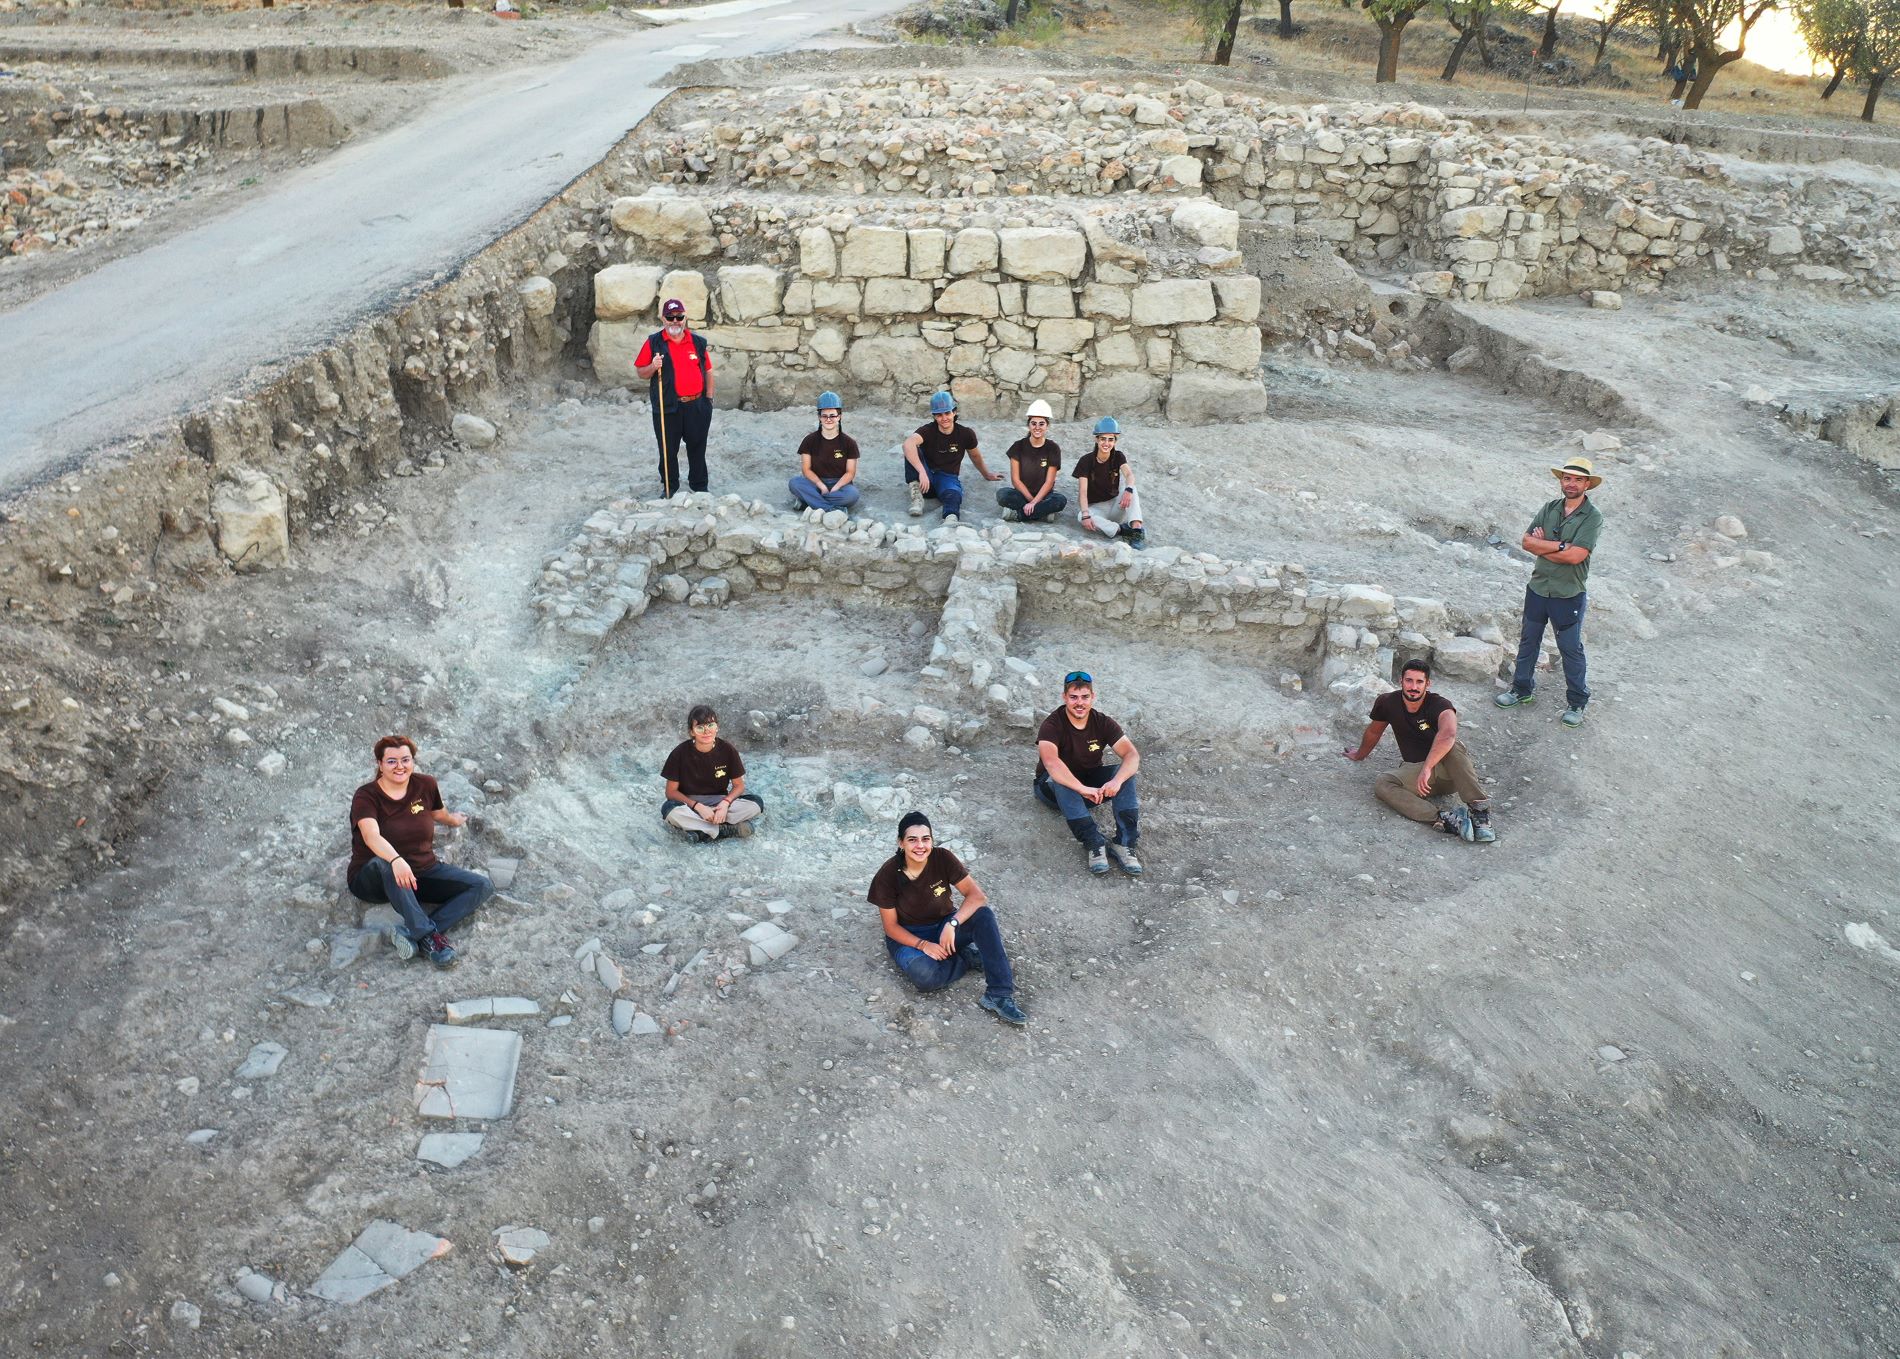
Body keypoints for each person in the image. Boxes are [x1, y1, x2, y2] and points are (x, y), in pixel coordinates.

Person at [869, 811, 1026, 1026]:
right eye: (912, 840)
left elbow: (976, 896)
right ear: (901, 843)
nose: (920, 846)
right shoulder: (888, 875)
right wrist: (924, 945)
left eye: (926, 839)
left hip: (944, 925)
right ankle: (966, 959)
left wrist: (952, 924)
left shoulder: (942, 858)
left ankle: (998, 994)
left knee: (983, 915)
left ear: (932, 840)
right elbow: (890, 927)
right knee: (924, 976)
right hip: (909, 936)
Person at [347, 734, 491, 967]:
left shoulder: (426, 785)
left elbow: (437, 813)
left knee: (482, 885)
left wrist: (453, 820)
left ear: (413, 761)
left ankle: (411, 932)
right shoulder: (366, 795)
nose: (400, 766)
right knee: (383, 863)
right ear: (380, 764)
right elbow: (371, 836)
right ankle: (429, 940)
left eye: (405, 759)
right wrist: (395, 860)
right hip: (374, 877)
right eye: (392, 761)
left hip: (420, 873)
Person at [1495, 456, 1605, 729]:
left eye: (1578, 479)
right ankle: (1521, 689)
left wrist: (1546, 544)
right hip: (1538, 588)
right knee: (1528, 641)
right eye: (1567, 478)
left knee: (1570, 649)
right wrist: (1559, 546)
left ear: (1587, 484)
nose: (1571, 483)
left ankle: (1577, 702)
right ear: (1561, 480)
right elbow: (1526, 542)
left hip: (1568, 594)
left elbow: (1577, 556)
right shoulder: (1549, 507)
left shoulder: (1593, 517)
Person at [1342, 658, 1495, 843]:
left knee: (1452, 746)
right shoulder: (1388, 702)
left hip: (1448, 774)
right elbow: (1374, 731)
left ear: (1427, 684)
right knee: (1383, 784)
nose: (1413, 686)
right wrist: (1359, 755)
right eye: (1409, 680)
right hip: (1418, 775)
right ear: (1401, 681)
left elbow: (1448, 734)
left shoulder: (1439, 704)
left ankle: (1480, 812)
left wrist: (1428, 766)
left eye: (1419, 682)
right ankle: (1446, 819)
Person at [1033, 670, 1142, 877]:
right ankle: (1093, 842)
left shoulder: (1102, 722)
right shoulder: (1052, 724)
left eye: (1084, 697)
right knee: (1061, 778)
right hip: (1052, 789)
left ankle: (1124, 843)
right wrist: (1081, 789)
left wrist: (1117, 782)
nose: (1079, 703)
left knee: (1126, 772)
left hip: (1089, 785)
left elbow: (1132, 755)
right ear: (1064, 697)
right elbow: (1052, 763)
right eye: (1073, 697)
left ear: (1093, 697)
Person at [633, 297, 715, 496]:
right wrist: (653, 366)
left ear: (684, 318)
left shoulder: (697, 342)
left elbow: (708, 371)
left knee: (697, 447)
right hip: (667, 407)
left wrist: (708, 400)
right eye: (670, 317)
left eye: (679, 317)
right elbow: (641, 372)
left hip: (697, 405)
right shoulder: (654, 343)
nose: (675, 321)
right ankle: (670, 487)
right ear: (663, 318)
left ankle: (699, 486)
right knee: (668, 450)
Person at [660, 704, 764, 841]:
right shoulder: (679, 753)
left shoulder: (728, 750)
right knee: (669, 809)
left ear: (717, 728)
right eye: (700, 728)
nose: (706, 731)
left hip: (719, 801)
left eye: (710, 726)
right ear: (692, 731)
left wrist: (725, 804)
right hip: (691, 805)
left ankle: (702, 831)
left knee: (756, 803)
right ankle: (725, 829)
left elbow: (739, 786)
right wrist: (698, 807)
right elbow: (671, 792)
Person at [901, 390, 1001, 525]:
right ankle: (917, 499)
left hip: (947, 477)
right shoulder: (928, 430)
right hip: (925, 480)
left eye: (947, 413)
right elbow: (908, 444)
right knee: (912, 449)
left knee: (954, 494)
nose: (944, 418)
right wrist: (922, 471)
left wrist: (987, 474)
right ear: (934, 416)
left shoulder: (966, 434)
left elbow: (975, 455)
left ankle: (950, 518)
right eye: (939, 415)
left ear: (954, 412)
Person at [1072, 416, 1145, 548]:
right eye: (1103, 439)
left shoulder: (1118, 456)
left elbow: (1129, 474)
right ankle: (1122, 530)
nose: (1106, 443)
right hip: (1097, 508)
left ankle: (1137, 530)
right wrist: (1086, 515)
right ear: (1096, 439)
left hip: (1116, 505)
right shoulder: (1086, 461)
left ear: (1115, 441)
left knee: (1131, 488)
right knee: (1080, 516)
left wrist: (1128, 489)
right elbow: (1082, 492)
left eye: (1110, 439)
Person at [997, 399, 1069, 523]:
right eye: (1033, 423)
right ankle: (1042, 513)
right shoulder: (1018, 446)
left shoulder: (1053, 448)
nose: (1037, 427)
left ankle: (1018, 515)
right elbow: (1015, 480)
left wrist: (1035, 502)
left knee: (1060, 500)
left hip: (1044, 495)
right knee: (1002, 495)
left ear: (1047, 426)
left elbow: (1049, 482)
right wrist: (1031, 500)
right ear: (1028, 425)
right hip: (1022, 495)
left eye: (1041, 424)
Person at [788, 391, 860, 512]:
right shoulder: (809, 440)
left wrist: (835, 488)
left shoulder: (849, 443)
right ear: (819, 417)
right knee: (795, 483)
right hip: (815, 483)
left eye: (832, 415)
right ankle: (831, 509)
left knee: (852, 495)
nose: (828, 419)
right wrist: (821, 486)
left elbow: (850, 473)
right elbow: (806, 470)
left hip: (840, 484)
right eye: (824, 415)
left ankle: (808, 502)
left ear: (839, 416)